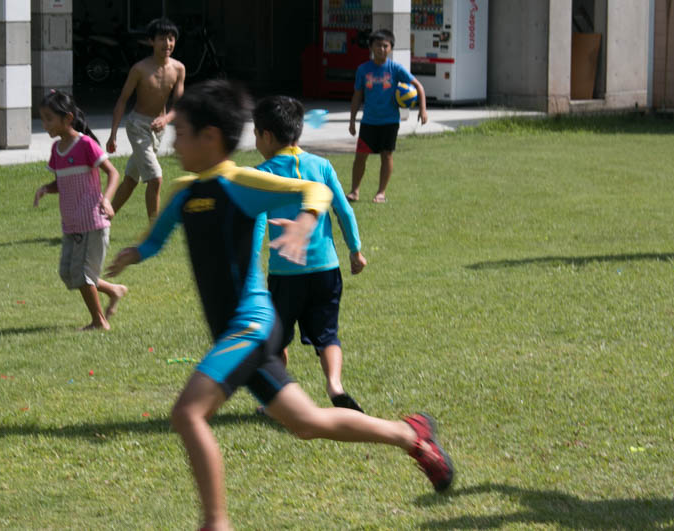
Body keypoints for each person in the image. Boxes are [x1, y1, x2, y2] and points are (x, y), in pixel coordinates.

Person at [106, 80, 454, 531]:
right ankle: (412, 435)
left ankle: (216, 523)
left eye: (183, 133)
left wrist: (306, 223)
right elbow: (156, 239)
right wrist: (136, 253)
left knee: (187, 413)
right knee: (306, 422)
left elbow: (317, 193)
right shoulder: (184, 191)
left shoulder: (240, 184)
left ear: (211, 137)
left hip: (248, 327)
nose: (174, 144)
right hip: (240, 334)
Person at [253, 95, 368, 413]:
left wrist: (250, 263)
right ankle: (335, 386)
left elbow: (258, 221)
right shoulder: (322, 165)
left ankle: (278, 400)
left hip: (286, 274)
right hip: (326, 269)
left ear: (266, 135)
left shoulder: (262, 173)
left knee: (275, 339)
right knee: (327, 335)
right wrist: (355, 251)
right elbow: (343, 210)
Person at [35, 91, 127, 331]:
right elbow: (62, 182)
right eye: (42, 119)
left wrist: (107, 200)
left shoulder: (86, 144)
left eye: (48, 119)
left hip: (93, 221)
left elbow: (113, 173)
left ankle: (99, 322)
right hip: (71, 223)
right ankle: (114, 290)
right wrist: (46, 188)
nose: (44, 125)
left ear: (67, 118)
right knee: (68, 273)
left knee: (83, 275)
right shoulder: (57, 150)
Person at [106, 17, 186, 220]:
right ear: (151, 41)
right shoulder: (139, 69)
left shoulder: (178, 69)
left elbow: (179, 105)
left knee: (131, 180)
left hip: (158, 130)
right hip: (137, 126)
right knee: (156, 178)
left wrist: (166, 119)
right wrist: (113, 134)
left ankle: (104, 217)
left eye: (171, 39)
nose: (167, 44)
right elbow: (122, 101)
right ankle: (154, 230)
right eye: (161, 39)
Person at [348, 29, 428, 204]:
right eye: (378, 45)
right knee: (360, 156)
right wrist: (352, 120)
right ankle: (354, 191)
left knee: (387, 156)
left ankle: (381, 192)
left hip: (389, 121)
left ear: (391, 48)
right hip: (369, 121)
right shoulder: (363, 70)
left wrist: (423, 109)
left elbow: (418, 86)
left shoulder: (395, 69)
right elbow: (357, 96)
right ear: (371, 47)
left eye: (385, 46)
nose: (381, 49)